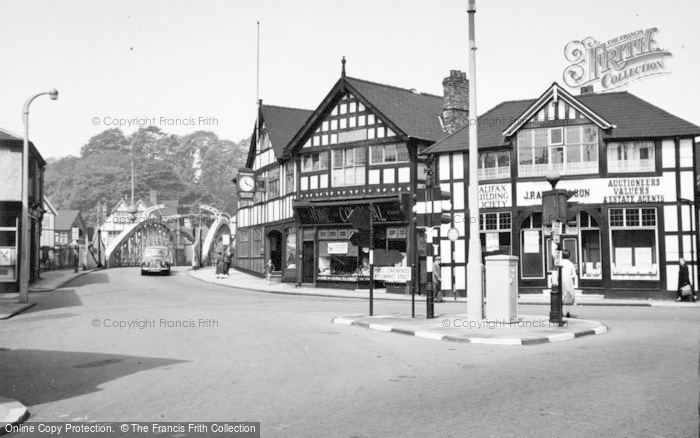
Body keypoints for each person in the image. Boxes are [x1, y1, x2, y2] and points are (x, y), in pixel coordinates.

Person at [559, 250, 577, 317]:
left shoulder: (560, 263)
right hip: (568, 280)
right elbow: (574, 275)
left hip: (561, 280)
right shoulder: (571, 264)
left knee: (560, 295)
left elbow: (556, 272)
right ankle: (567, 312)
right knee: (568, 296)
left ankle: (560, 311)